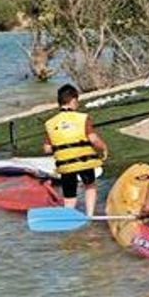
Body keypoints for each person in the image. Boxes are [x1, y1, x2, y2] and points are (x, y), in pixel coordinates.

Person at [43, 84, 109, 216]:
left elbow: (47, 149)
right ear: (73, 100)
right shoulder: (82, 118)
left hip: (65, 165)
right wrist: (104, 148)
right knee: (90, 186)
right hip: (84, 161)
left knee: (69, 193)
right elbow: (93, 138)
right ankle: (90, 215)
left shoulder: (50, 123)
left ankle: (69, 214)